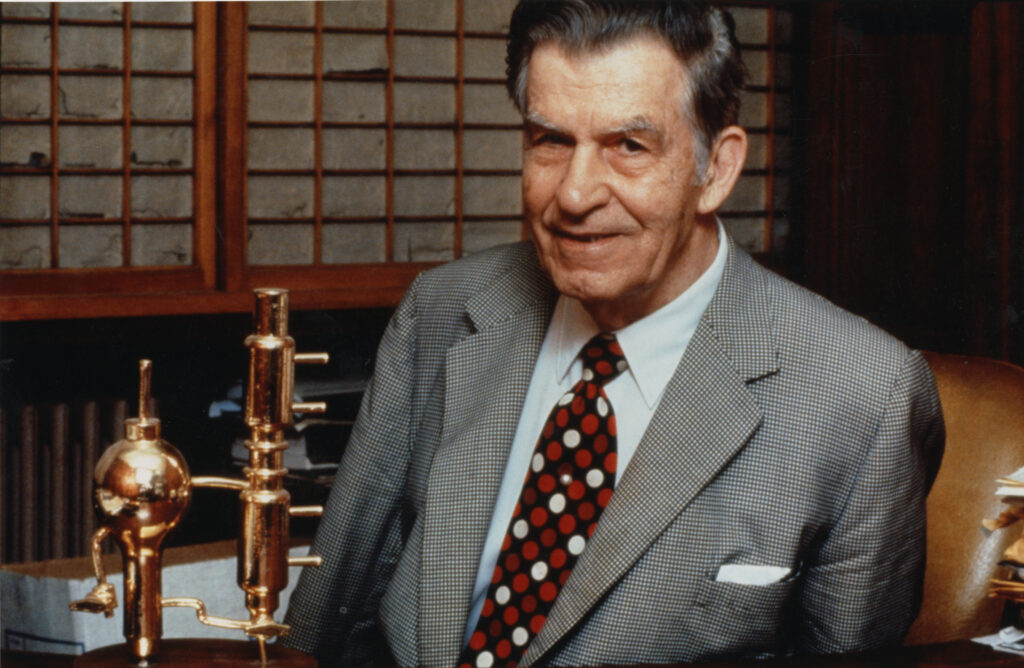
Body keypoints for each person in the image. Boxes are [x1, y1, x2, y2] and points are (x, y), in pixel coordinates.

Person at [282, 1, 944, 666]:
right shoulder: (444, 311)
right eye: (551, 141)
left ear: (715, 169)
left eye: (629, 147)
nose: (573, 195)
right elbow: (323, 622)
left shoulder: (862, 396)